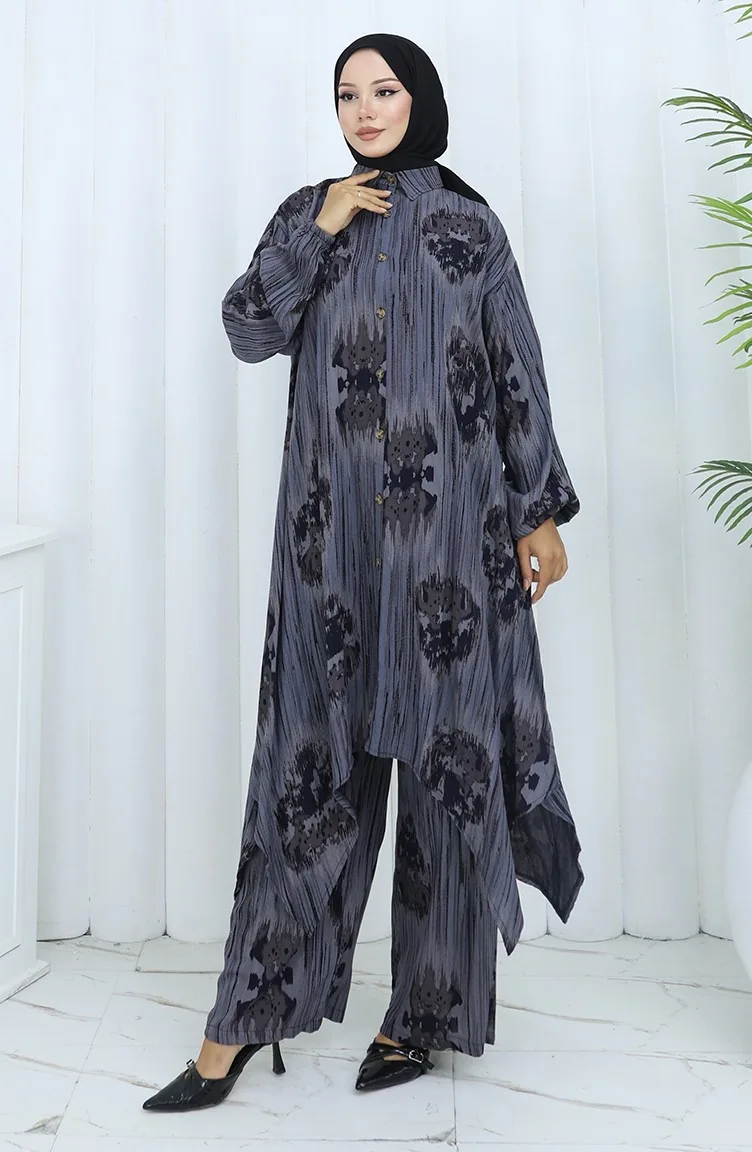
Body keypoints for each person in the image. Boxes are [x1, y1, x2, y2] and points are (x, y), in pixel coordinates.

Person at [143, 31, 584, 1113]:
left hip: (451, 552)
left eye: (384, 90)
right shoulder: (309, 214)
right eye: (348, 94)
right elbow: (249, 329)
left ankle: (422, 1017)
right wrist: (321, 229)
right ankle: (243, 1020)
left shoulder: (471, 228)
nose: (366, 109)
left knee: (446, 777)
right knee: (305, 780)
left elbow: (515, 370)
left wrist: (538, 513)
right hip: (327, 554)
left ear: (419, 99)